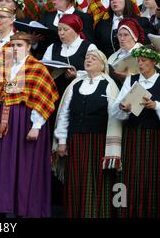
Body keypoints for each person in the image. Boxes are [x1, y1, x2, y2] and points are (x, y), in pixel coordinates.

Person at [0, 32, 59, 217]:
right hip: (4, 123)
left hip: (25, 121)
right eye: (12, 45)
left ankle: (27, 209)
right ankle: (6, 207)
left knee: (26, 165)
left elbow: (43, 96)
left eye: (19, 45)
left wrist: (36, 125)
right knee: (5, 165)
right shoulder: (3, 68)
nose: (15, 49)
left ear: (28, 47)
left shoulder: (37, 68)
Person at [54, 49, 121, 218]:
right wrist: (62, 141)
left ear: (102, 64)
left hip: (98, 141)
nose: (88, 60)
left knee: (97, 179)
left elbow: (115, 117)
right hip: (76, 140)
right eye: (87, 58)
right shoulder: (75, 84)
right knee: (76, 179)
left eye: (93, 58)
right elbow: (64, 114)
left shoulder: (109, 85)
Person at [111, 46, 160, 217]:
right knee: (130, 175)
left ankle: (153, 212)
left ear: (154, 61)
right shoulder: (131, 80)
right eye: (139, 60)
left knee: (153, 176)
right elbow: (117, 107)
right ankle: (127, 211)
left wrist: (155, 105)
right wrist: (123, 107)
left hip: (155, 137)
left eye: (144, 61)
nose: (140, 64)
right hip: (133, 134)